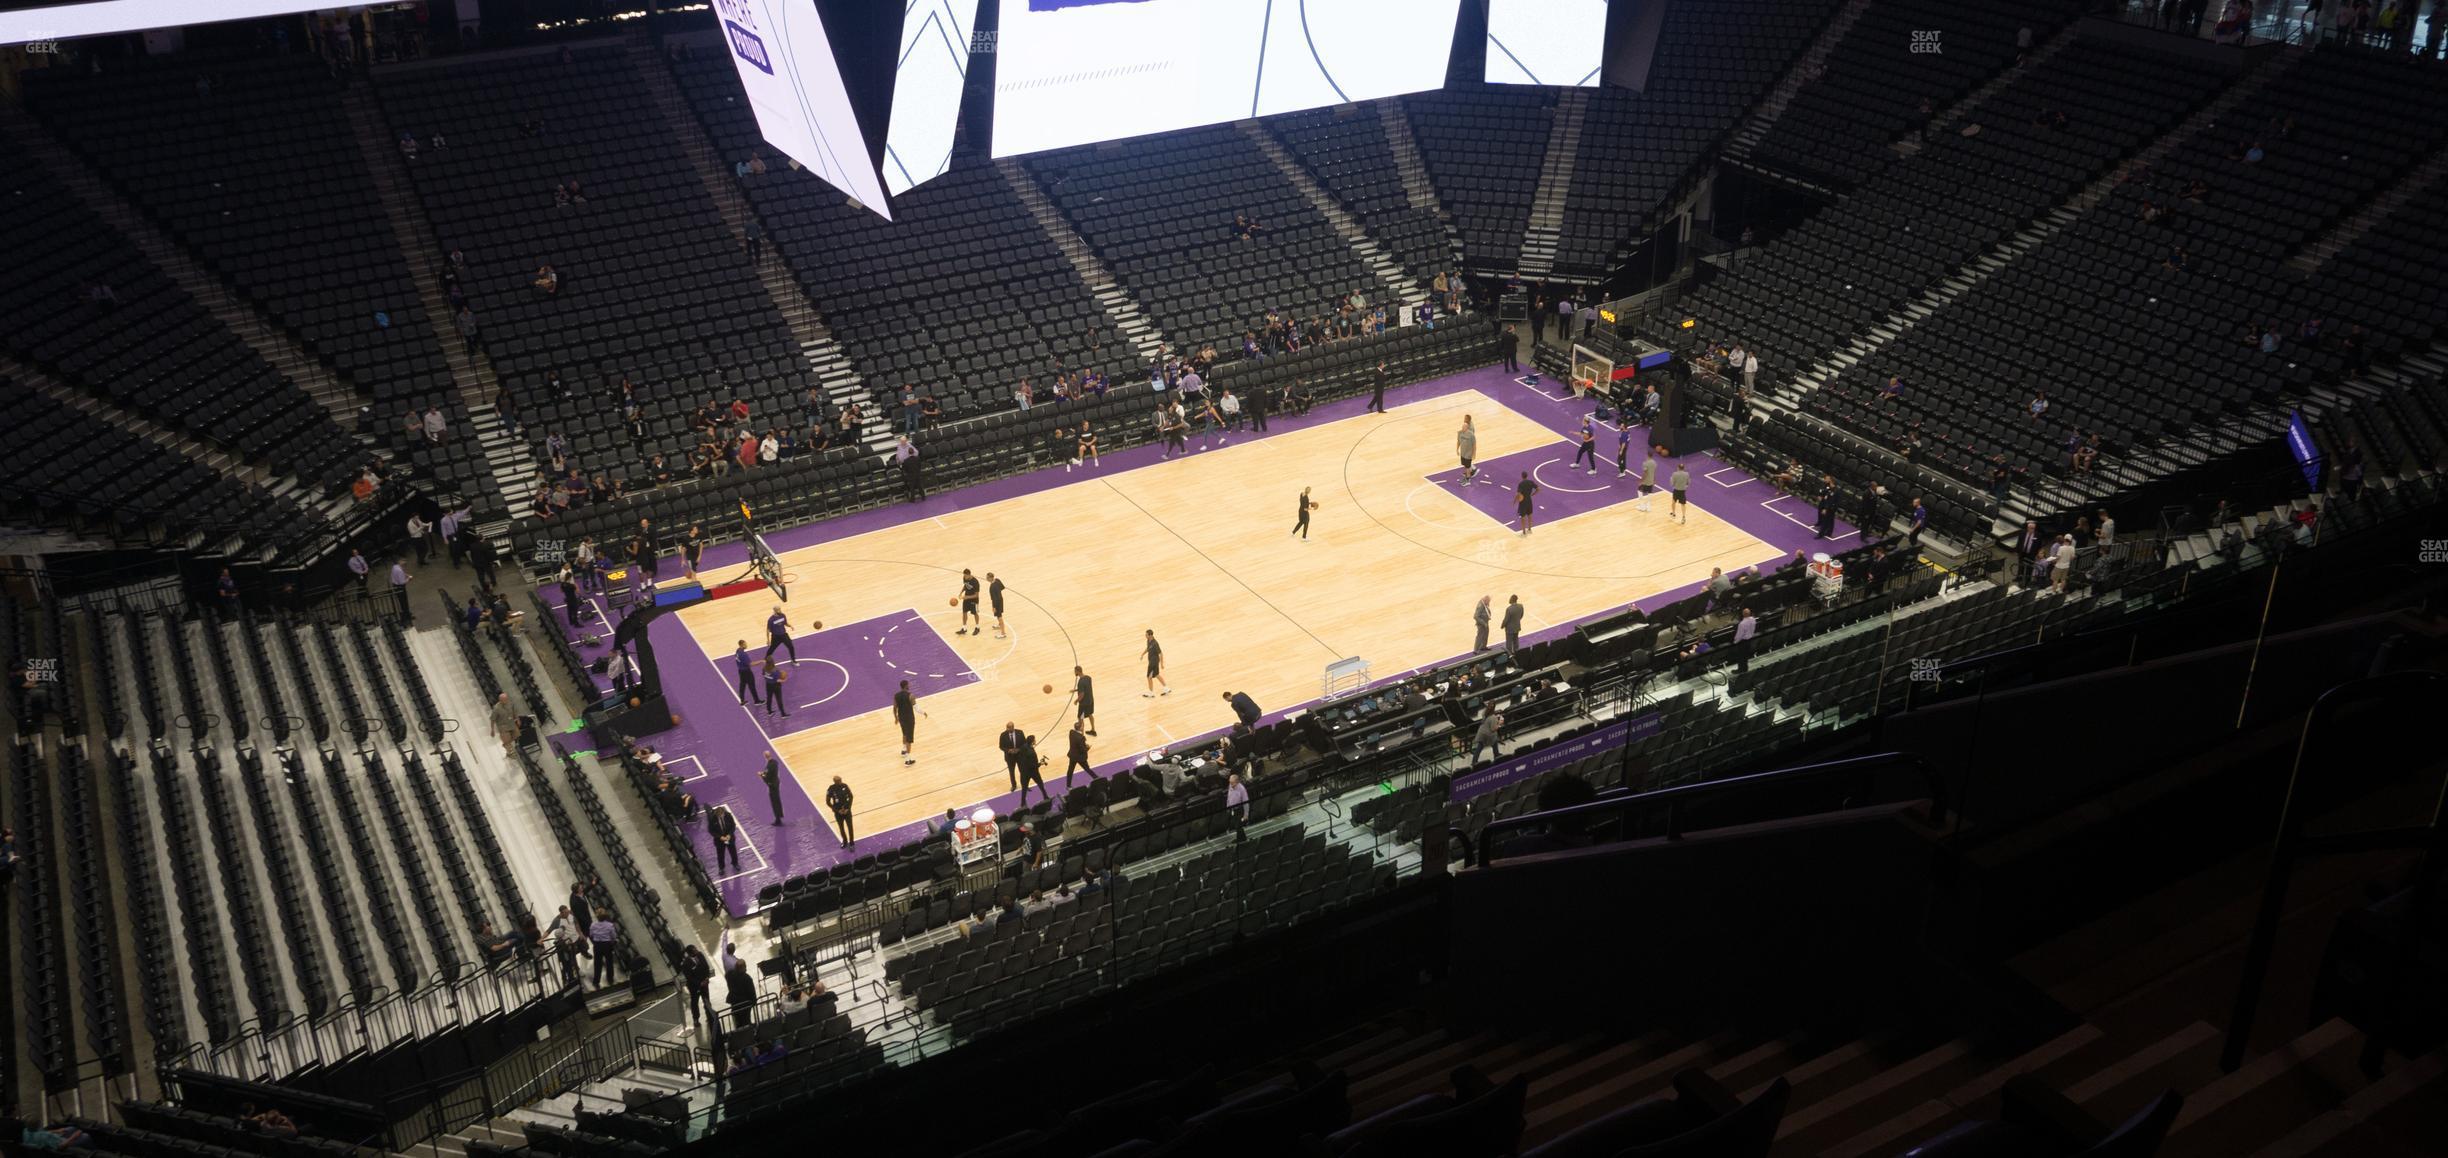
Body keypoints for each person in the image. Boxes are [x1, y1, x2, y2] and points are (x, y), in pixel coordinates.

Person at [678, 943, 715, 1028]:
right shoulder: (686, 964)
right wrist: (699, 983)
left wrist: (706, 978)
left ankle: (709, 1016)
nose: (697, 951)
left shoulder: (700, 955)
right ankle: (696, 1019)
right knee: (695, 1003)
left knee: (707, 1000)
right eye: (695, 950)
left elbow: (706, 966)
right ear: (691, 953)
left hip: (704, 983)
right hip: (694, 987)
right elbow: (689, 977)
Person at [589, 911, 620, 988]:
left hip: (597, 945)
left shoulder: (593, 925)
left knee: (597, 964)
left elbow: (591, 935)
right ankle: (610, 979)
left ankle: (596, 981)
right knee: (609, 962)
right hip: (607, 945)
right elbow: (613, 936)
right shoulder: (610, 925)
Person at [893, 679, 921, 764]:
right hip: (909, 719)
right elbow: (917, 709)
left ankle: (903, 750)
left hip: (901, 718)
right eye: (908, 685)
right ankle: (908, 760)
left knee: (904, 734)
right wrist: (924, 713)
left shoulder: (896, 695)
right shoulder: (911, 695)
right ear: (906, 686)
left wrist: (896, 718)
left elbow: (894, 708)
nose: (909, 686)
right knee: (909, 739)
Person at [707, 804, 741, 873]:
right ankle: (721, 868)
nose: (720, 816)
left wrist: (729, 834)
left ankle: (735, 863)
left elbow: (733, 826)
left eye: (721, 815)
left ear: (723, 813)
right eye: (719, 816)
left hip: (729, 838)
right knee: (720, 855)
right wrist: (719, 837)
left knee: (733, 852)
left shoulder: (728, 815)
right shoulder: (712, 819)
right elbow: (711, 830)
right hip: (719, 840)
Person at [1016, 733, 1048, 806]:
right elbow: (1033, 765)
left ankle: (1023, 803)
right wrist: (1040, 763)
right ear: (1032, 742)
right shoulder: (1031, 753)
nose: (1035, 740)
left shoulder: (1023, 747)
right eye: (1034, 740)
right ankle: (1045, 797)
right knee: (1040, 784)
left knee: (1024, 788)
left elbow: (1021, 758)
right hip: (1033, 772)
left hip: (1024, 772)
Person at [998, 720, 1028, 791]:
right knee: (1011, 773)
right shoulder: (1003, 735)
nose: (1008, 729)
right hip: (1010, 757)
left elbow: (1024, 744)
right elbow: (1001, 746)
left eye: (1009, 728)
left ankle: (1024, 785)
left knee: (1022, 771)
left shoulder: (1020, 732)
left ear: (1013, 727)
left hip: (1020, 756)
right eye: (1007, 727)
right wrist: (1008, 750)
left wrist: (1019, 749)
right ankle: (1014, 785)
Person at [825, 775, 854, 847]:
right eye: (838, 781)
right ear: (835, 781)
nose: (840, 782)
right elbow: (828, 802)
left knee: (850, 827)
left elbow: (851, 797)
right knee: (841, 828)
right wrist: (836, 810)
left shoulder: (845, 786)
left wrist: (848, 808)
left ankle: (852, 843)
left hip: (847, 811)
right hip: (838, 812)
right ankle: (845, 842)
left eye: (841, 780)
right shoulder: (831, 788)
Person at [1064, 720, 1094, 786]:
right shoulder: (1081, 738)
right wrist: (1088, 747)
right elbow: (1083, 750)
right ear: (1080, 728)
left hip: (1072, 755)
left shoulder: (1071, 732)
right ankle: (1096, 778)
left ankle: (1068, 785)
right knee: (1087, 769)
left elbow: (1078, 743)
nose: (1083, 727)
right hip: (1079, 757)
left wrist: (1082, 739)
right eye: (1082, 726)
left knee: (1070, 771)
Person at [955, 568, 983, 636]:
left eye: (966, 576)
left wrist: (966, 597)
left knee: (975, 613)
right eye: (964, 575)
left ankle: (977, 627)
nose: (965, 577)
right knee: (964, 612)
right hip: (966, 598)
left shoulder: (975, 582)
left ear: (969, 574)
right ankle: (964, 628)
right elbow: (965, 585)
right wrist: (961, 592)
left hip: (974, 600)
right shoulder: (964, 577)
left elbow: (976, 595)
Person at [1142, 629, 1169, 696]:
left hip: (1153, 662)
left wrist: (1162, 664)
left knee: (1149, 677)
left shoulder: (1155, 643)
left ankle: (1151, 693)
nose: (1145, 636)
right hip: (1152, 661)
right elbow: (1148, 648)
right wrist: (1143, 654)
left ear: (1150, 635)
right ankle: (1166, 688)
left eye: (1146, 635)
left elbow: (1161, 654)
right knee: (1156, 674)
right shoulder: (1148, 640)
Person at [733, 641, 761, 705]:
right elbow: (750, 664)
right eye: (745, 644)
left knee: (742, 685)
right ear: (742, 645)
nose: (746, 645)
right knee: (752, 686)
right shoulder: (743, 654)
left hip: (741, 671)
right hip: (746, 672)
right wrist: (761, 661)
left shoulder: (737, 651)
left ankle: (742, 701)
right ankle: (757, 701)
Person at [760, 751, 785, 825]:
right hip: (776, 783)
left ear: (765, 756)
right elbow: (769, 773)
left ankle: (778, 820)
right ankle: (779, 816)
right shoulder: (774, 762)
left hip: (772, 785)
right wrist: (764, 774)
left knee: (774, 802)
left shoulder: (769, 766)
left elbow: (767, 776)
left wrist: (761, 775)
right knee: (777, 800)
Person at [1225, 773, 1251, 842]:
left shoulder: (1242, 789)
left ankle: (1241, 839)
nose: (1231, 784)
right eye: (1230, 782)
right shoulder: (1230, 786)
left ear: (1237, 782)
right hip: (1232, 809)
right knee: (1237, 825)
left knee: (1238, 825)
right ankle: (1242, 838)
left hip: (1239, 810)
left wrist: (1246, 814)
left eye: (1233, 783)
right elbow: (1229, 797)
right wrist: (1228, 807)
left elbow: (1246, 802)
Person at [1515, 470, 1539, 536]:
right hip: (1529, 500)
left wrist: (1515, 500)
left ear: (1522, 476)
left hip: (1523, 502)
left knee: (1522, 517)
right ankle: (1530, 529)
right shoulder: (1531, 482)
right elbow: (1538, 489)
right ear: (1527, 476)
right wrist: (1533, 494)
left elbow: (1518, 494)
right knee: (1530, 515)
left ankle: (1524, 532)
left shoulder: (1521, 484)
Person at [1456, 415, 1479, 483]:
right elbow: (1459, 441)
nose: (1464, 419)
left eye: (1465, 418)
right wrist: (1457, 449)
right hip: (1464, 451)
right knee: (1466, 465)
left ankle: (1468, 478)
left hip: (1468, 449)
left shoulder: (1471, 431)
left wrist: (1474, 453)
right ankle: (1471, 471)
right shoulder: (1462, 431)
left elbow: (1474, 443)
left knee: (1467, 465)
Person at [987, 572, 1008, 639]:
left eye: (987, 577)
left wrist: (994, 607)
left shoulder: (992, 587)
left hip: (997, 602)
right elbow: (1002, 587)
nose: (986, 579)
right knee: (999, 615)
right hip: (1001, 599)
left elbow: (994, 599)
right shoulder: (997, 580)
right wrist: (998, 591)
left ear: (990, 578)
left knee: (999, 616)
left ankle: (1003, 633)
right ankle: (999, 625)